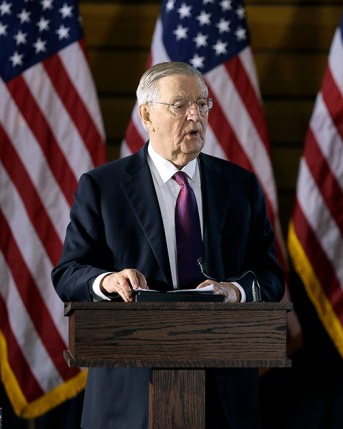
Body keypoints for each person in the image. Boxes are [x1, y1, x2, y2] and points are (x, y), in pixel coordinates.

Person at [52, 61, 285, 429]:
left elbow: (271, 276)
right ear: (147, 115)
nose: (195, 115)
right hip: (130, 396)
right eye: (180, 106)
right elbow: (68, 273)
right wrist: (108, 282)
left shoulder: (240, 186)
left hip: (225, 396)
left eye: (203, 104)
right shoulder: (103, 188)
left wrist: (234, 290)